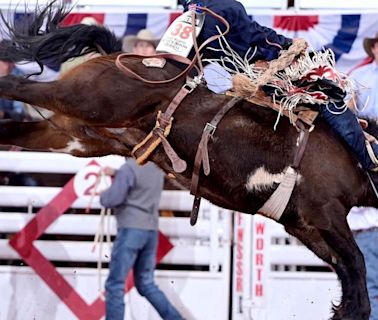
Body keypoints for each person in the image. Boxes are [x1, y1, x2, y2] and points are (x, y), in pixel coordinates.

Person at [180, 0, 378, 175]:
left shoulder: (188, 14)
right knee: (327, 96)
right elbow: (255, 34)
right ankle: (369, 157)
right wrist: (288, 43)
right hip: (259, 75)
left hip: (232, 77)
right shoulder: (225, 5)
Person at [100, 159, 183, 320]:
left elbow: (112, 199)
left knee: (115, 285)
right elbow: (139, 181)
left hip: (130, 230)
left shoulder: (128, 169)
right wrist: (118, 174)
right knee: (146, 283)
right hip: (150, 231)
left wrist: (103, 196)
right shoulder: (155, 167)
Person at [347, 33, 378, 320]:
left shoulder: (361, 75)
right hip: (368, 136)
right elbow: (351, 107)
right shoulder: (362, 75)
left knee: (367, 287)